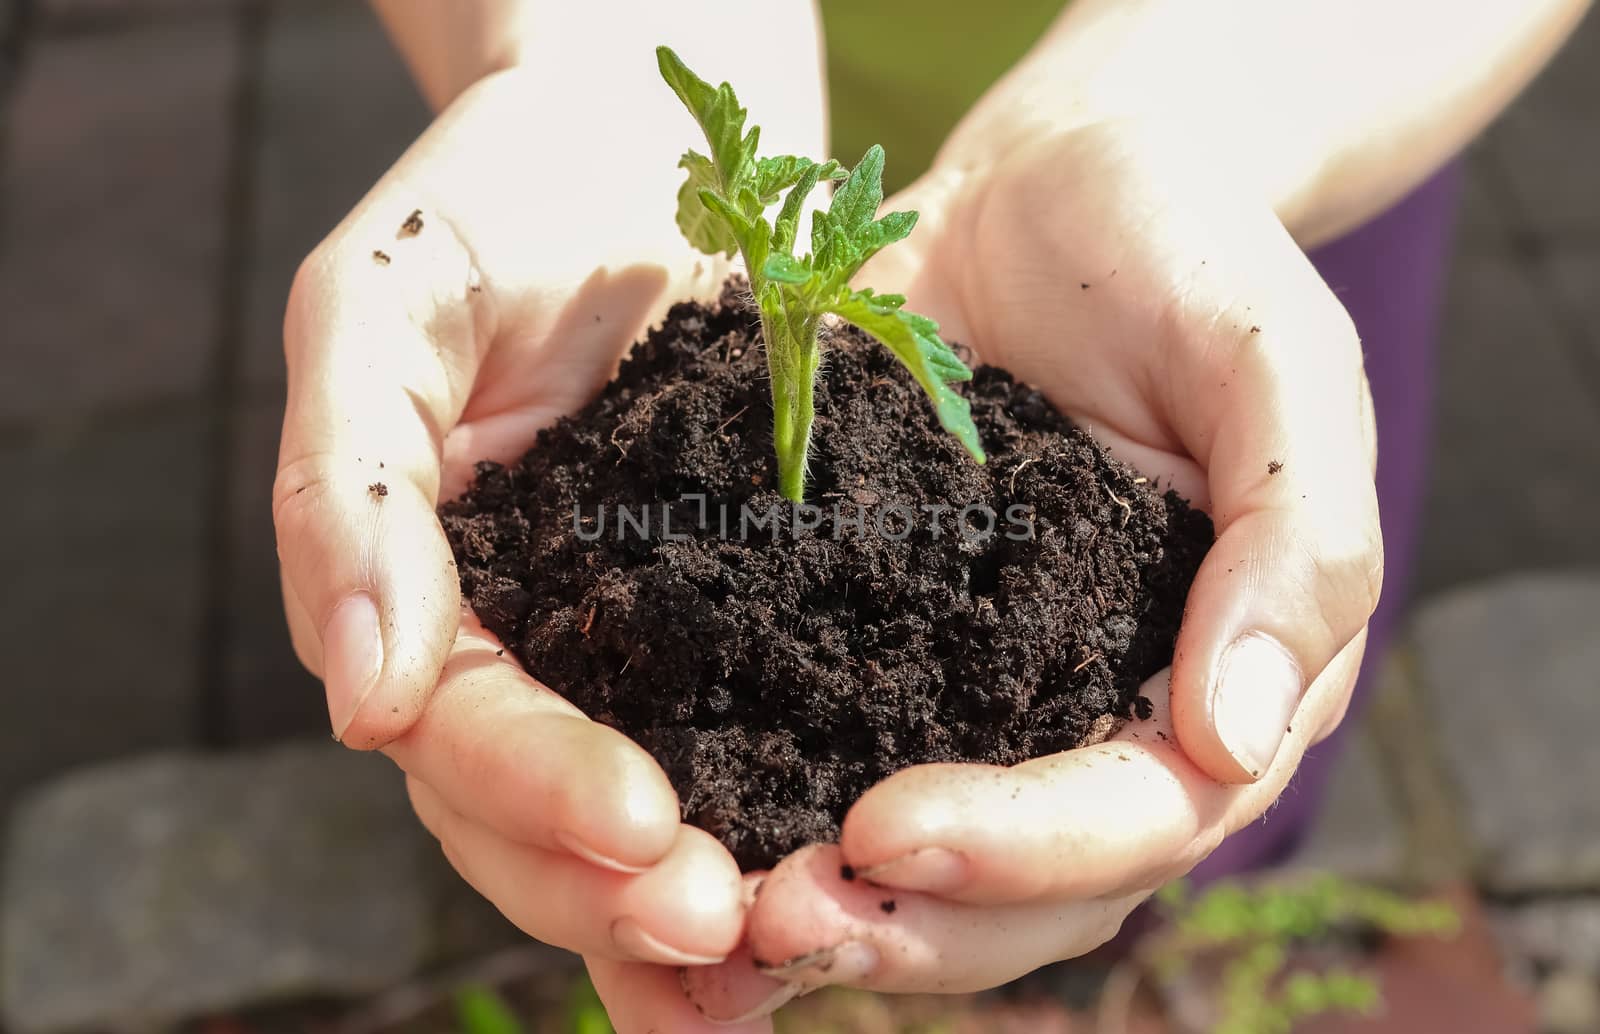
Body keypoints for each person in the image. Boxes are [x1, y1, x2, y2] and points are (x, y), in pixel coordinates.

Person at [270, 1, 1590, 1028]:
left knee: (1235, 654)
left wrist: (1190, 115)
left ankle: (1148, 953)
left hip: (1280, 103)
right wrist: (600, 69)